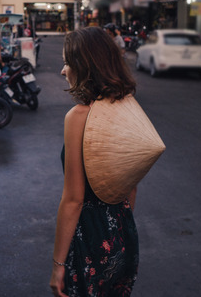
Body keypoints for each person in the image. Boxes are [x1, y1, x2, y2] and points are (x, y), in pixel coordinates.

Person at [51, 27, 143, 296]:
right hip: (124, 233)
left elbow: (74, 199)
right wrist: (116, 229)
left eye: (67, 62)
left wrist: (58, 264)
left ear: (84, 66)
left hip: (90, 238)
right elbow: (132, 186)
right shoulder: (126, 106)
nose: (63, 70)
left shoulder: (79, 117)